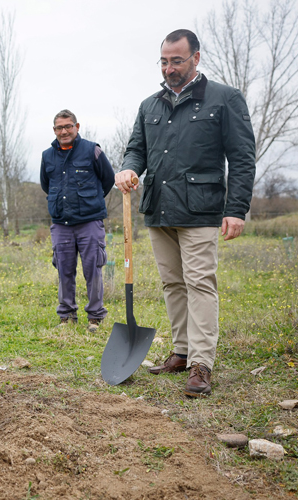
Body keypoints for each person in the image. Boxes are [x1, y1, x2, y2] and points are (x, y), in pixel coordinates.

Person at [115, 29, 256, 397]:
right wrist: (129, 169)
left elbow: (242, 158)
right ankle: (181, 351)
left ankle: (201, 364)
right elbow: (136, 150)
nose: (169, 67)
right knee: (173, 284)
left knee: (199, 284)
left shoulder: (224, 99)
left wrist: (236, 208)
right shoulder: (150, 105)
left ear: (196, 57)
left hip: (201, 210)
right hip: (159, 209)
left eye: (177, 60)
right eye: (164, 61)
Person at [40, 110, 115, 332]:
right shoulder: (47, 155)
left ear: (77, 127)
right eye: (59, 128)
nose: (64, 131)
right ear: (54, 130)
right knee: (64, 269)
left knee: (93, 269)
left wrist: (90, 201)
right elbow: (46, 184)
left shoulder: (92, 150)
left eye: (68, 126)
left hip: (89, 222)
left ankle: (95, 317)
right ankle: (67, 316)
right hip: (61, 224)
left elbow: (108, 179)